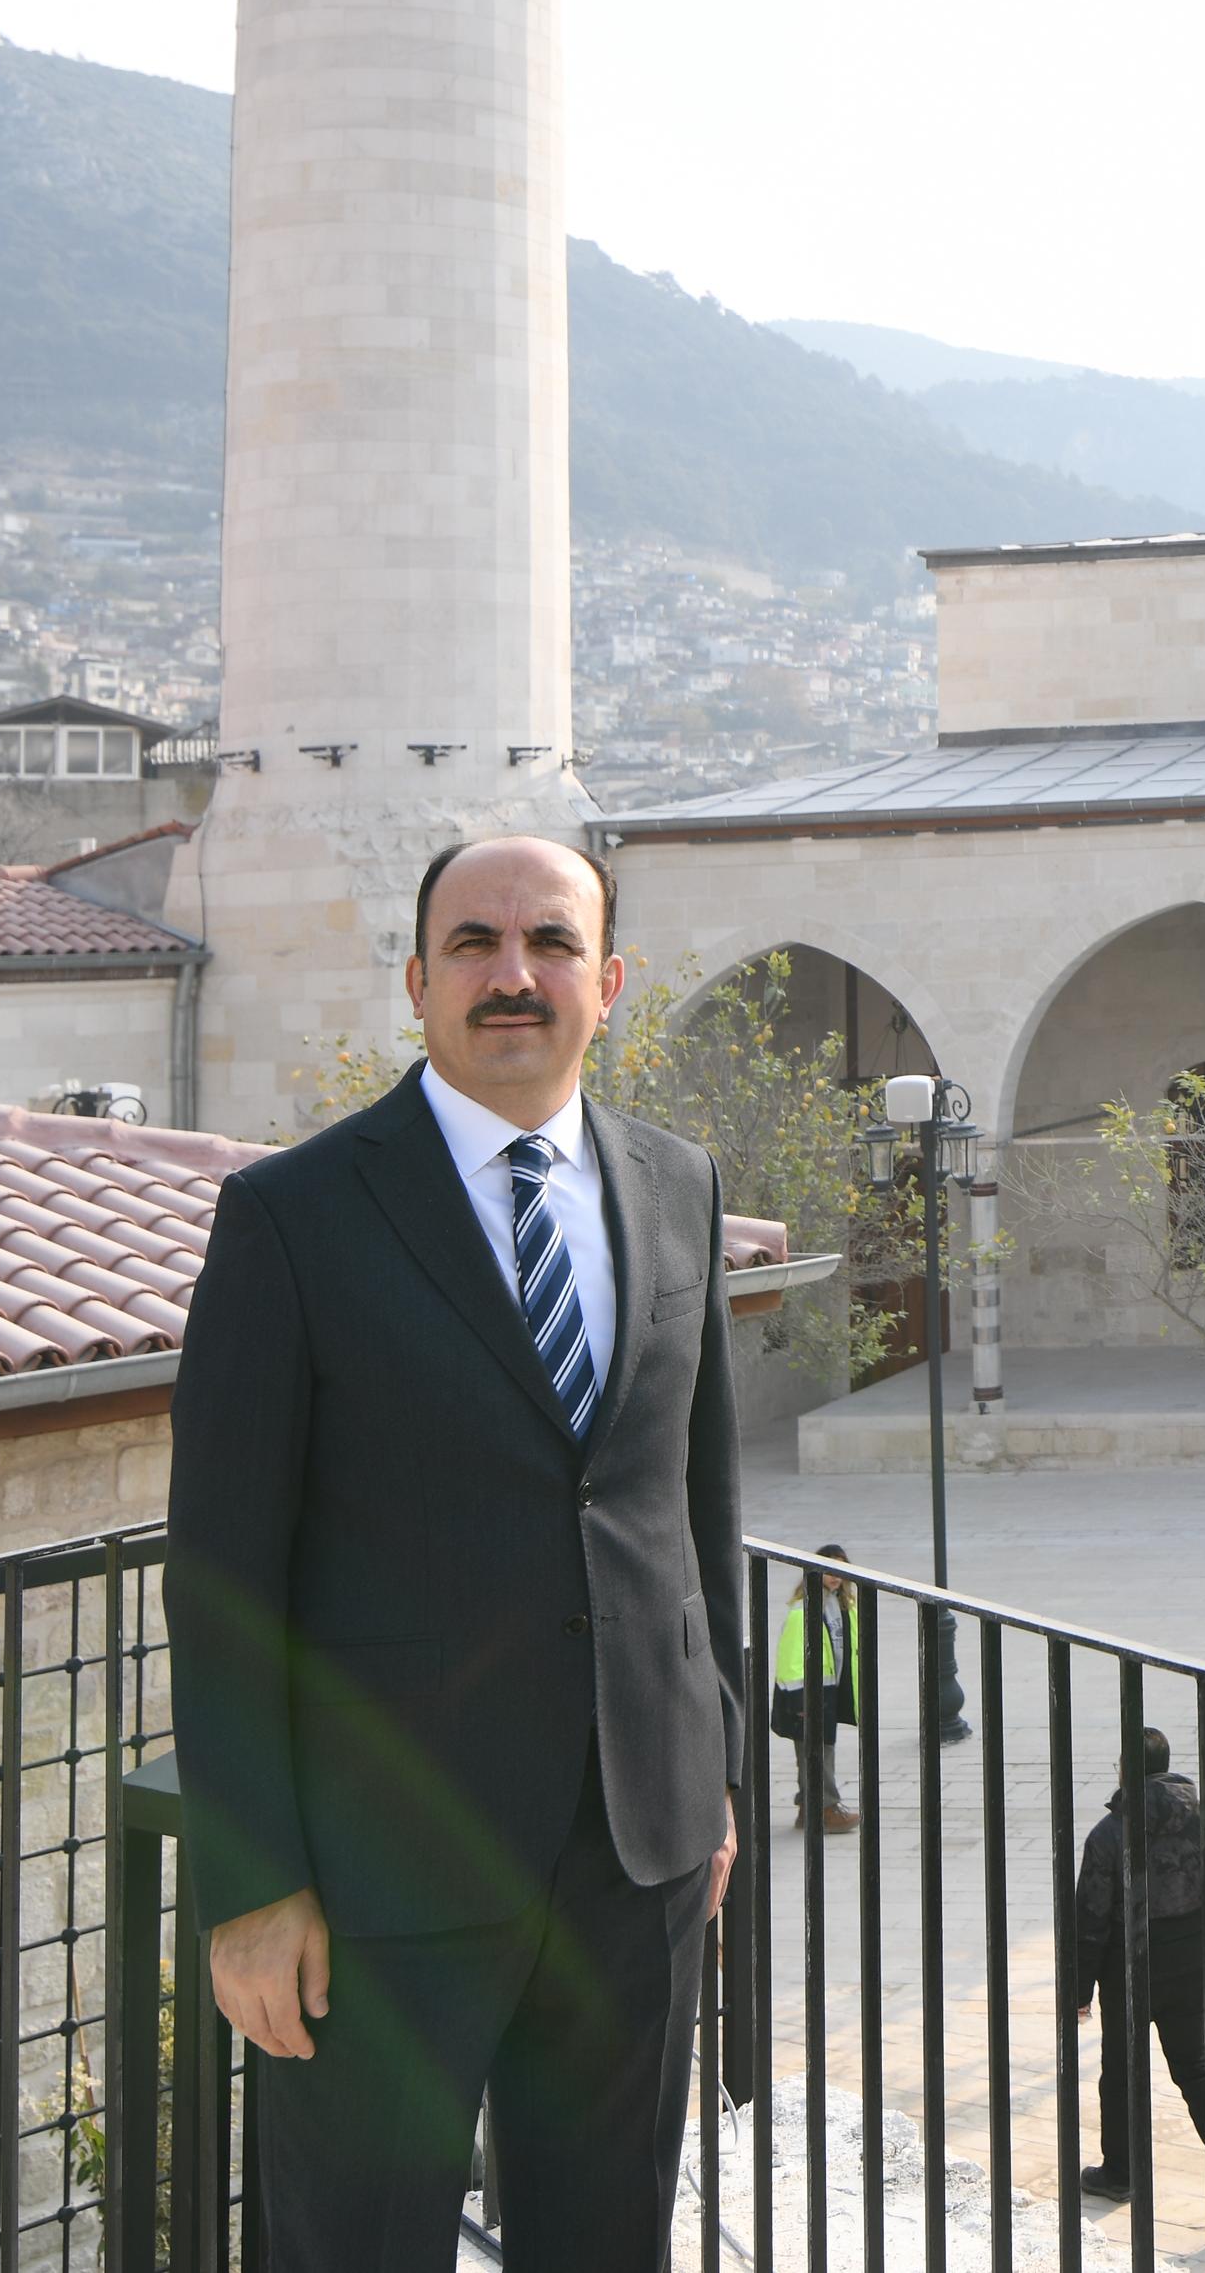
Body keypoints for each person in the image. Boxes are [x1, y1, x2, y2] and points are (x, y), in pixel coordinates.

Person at [169, 834, 746, 2273]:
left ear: (607, 983)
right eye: (476, 944)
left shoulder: (680, 1186)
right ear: (418, 981)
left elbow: (695, 1504)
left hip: (637, 1857)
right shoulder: (294, 1215)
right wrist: (253, 1880)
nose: (514, 974)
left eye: (551, 943)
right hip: (382, 1878)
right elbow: (221, 1568)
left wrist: (714, 1761)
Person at [1062, 1727, 1205, 2230]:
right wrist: (1201, 1948)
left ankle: (1121, 2173)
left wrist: (1079, 1993)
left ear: (1127, 1770)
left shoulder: (1110, 1834)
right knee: (1197, 2070)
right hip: (1190, 1967)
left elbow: (1090, 1921)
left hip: (1130, 1970)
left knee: (1122, 2072)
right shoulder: (1201, 1818)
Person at [769, 1548, 858, 1833]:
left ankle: (809, 1809)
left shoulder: (844, 1605)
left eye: (840, 1569)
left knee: (817, 1750)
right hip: (809, 1694)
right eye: (829, 1569)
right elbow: (792, 1660)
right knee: (817, 1751)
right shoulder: (803, 1611)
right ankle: (827, 1808)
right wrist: (801, 1701)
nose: (835, 1576)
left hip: (830, 1691)